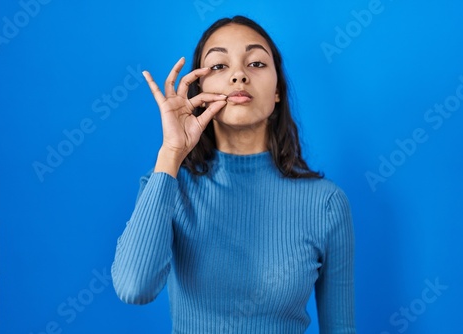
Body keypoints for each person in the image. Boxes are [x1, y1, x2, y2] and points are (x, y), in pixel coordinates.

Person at [111, 15, 356, 333]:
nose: (239, 75)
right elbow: (134, 288)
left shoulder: (326, 202)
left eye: (255, 63)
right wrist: (171, 152)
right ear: (199, 90)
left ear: (278, 89)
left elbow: (341, 328)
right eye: (219, 66)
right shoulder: (167, 185)